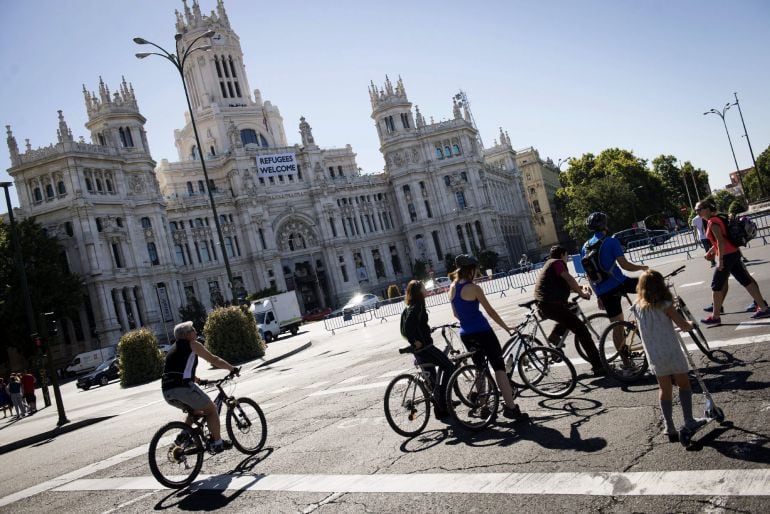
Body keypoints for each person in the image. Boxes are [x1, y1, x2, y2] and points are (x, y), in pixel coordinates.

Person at [449, 254, 529, 422]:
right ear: (471, 270)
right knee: (498, 368)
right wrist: (506, 327)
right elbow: (491, 312)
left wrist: (467, 320)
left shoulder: (452, 288)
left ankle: (483, 407)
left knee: (479, 368)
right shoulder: (474, 288)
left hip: (466, 334)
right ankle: (511, 408)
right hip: (483, 332)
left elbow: (456, 314)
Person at [632, 269, 707, 441]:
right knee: (683, 384)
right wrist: (690, 324)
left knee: (664, 389)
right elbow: (682, 324)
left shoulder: (637, 308)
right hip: (671, 352)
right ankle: (688, 419)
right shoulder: (665, 304)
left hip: (654, 355)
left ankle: (669, 425)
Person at [581, 212, 649, 362]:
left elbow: (589, 275)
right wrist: (642, 268)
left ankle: (626, 362)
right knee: (650, 285)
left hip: (603, 290)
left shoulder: (585, 247)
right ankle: (650, 317)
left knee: (616, 325)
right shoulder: (611, 242)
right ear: (604, 225)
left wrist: (599, 295)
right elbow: (625, 265)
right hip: (619, 283)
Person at [161, 321, 238, 453]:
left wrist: (199, 380)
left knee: (196, 412)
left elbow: (180, 370)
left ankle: (183, 437)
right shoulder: (193, 344)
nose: (196, 332)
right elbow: (213, 359)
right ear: (186, 334)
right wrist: (232, 368)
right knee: (211, 409)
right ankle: (218, 443)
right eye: (193, 330)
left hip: (167, 391)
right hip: (182, 388)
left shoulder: (174, 348)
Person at [696, 200, 770, 325]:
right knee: (746, 280)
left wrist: (719, 261)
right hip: (733, 253)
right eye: (696, 209)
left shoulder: (712, 222)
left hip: (726, 256)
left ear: (707, 209)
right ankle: (764, 308)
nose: (697, 212)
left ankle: (715, 317)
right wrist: (711, 251)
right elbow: (723, 239)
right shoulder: (719, 217)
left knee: (716, 286)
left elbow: (720, 241)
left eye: (699, 209)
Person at [534, 245, 605, 376]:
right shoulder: (557, 262)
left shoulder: (549, 264)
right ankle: (598, 366)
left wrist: (581, 287)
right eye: (567, 256)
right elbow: (568, 278)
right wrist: (582, 293)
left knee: (571, 308)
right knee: (582, 331)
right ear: (563, 255)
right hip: (551, 305)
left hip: (546, 304)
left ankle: (555, 336)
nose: (567, 259)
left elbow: (563, 285)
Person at [400, 280, 456, 419]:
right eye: (424, 287)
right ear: (419, 291)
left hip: (420, 350)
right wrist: (415, 340)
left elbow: (417, 325)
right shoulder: (417, 306)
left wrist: (426, 330)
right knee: (449, 367)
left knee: (433, 380)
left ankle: (440, 410)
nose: (426, 289)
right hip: (425, 348)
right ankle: (444, 400)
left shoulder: (413, 305)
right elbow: (408, 328)